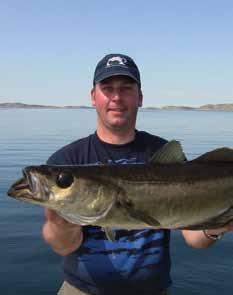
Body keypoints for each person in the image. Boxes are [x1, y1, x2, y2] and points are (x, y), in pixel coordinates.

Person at [42, 53, 233, 295]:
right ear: (93, 97)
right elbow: (63, 246)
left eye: (126, 88)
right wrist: (59, 224)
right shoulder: (67, 162)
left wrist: (216, 227)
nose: (116, 97)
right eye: (107, 88)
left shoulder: (162, 153)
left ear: (140, 97)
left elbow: (193, 237)